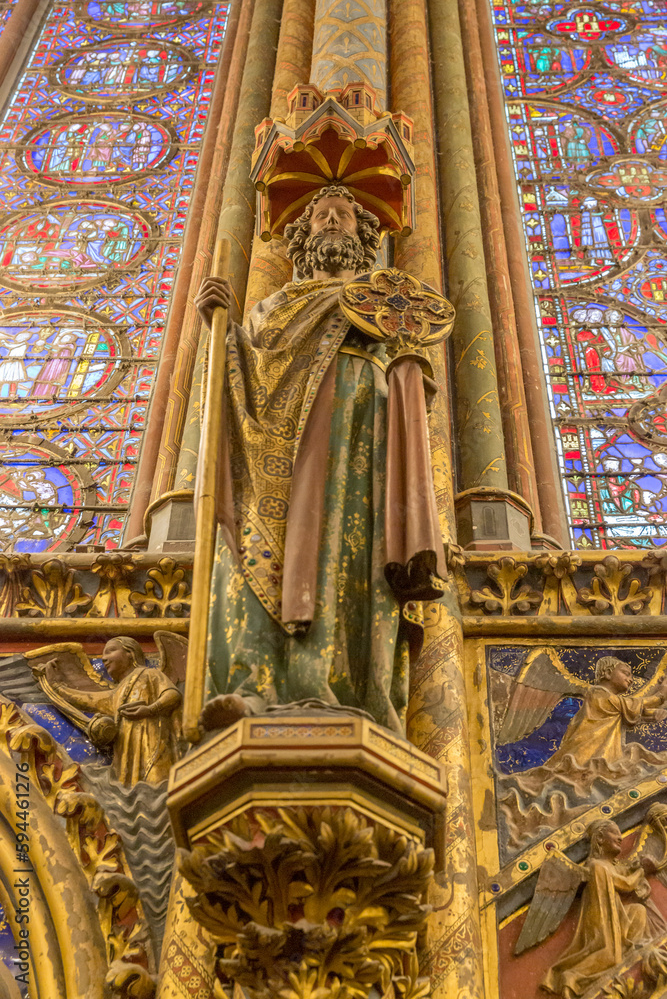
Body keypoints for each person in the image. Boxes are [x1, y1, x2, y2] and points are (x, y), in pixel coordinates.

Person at [194, 184, 446, 734]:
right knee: (266, 547)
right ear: (302, 238)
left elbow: (414, 373)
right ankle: (253, 684)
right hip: (281, 447)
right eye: (321, 216)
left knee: (347, 551)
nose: (331, 221)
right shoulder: (273, 304)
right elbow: (246, 374)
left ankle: (349, 689)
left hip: (360, 433)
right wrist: (220, 329)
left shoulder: (381, 297)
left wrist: (405, 363)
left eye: (343, 216)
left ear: (364, 237)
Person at [543, 819, 665, 997]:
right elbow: (626, 884)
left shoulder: (610, 865)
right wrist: (642, 871)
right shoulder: (596, 866)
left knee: (638, 911)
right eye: (614, 832)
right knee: (609, 956)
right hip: (602, 921)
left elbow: (626, 877)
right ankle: (570, 978)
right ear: (600, 838)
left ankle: (628, 947)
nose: (620, 837)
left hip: (615, 915)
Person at [42, 636, 182, 785]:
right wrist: (57, 687)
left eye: (111, 651)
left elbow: (172, 695)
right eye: (103, 655)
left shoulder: (149, 674)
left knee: (156, 782)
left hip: (152, 741)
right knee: (130, 786)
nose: (104, 659)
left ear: (130, 653)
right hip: (127, 750)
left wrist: (150, 710)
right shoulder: (118, 691)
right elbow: (88, 699)